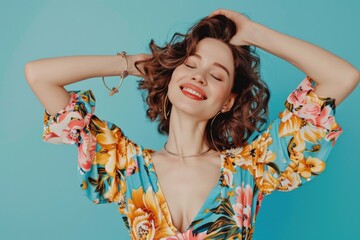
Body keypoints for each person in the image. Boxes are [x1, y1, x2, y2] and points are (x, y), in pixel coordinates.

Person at [25, 9, 359, 240]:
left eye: (216, 75)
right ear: (170, 75)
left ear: (227, 100)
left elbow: (342, 77)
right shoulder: (125, 165)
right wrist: (136, 64)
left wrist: (254, 33)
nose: (199, 76)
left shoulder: (253, 166)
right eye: (190, 65)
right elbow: (39, 75)